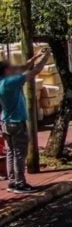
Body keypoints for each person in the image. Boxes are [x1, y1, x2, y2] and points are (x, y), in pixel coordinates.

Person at [0, 47, 52, 193]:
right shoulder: (11, 82)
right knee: (19, 154)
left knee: (10, 152)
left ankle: (12, 182)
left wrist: (36, 56)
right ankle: (20, 183)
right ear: (6, 71)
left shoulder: (2, 81)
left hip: (5, 122)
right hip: (17, 122)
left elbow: (22, 68)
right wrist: (45, 58)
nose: (14, 69)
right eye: (10, 68)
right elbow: (33, 72)